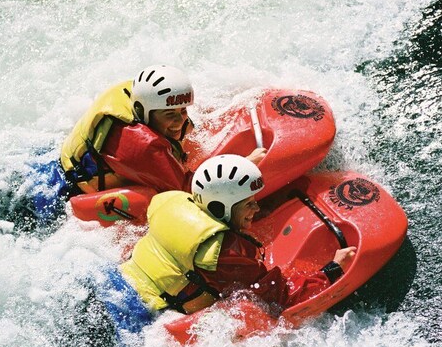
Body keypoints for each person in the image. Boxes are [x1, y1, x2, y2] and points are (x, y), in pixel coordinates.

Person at [118, 154, 357, 317]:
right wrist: (332, 269)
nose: (256, 209)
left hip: (117, 281)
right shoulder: (226, 253)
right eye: (248, 204)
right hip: (138, 315)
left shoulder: (175, 200)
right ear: (220, 209)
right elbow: (280, 297)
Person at [59, 64, 265, 196]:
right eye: (169, 114)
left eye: (183, 110)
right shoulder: (142, 146)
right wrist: (245, 164)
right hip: (63, 191)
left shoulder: (136, 93)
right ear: (144, 111)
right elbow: (189, 190)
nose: (179, 120)